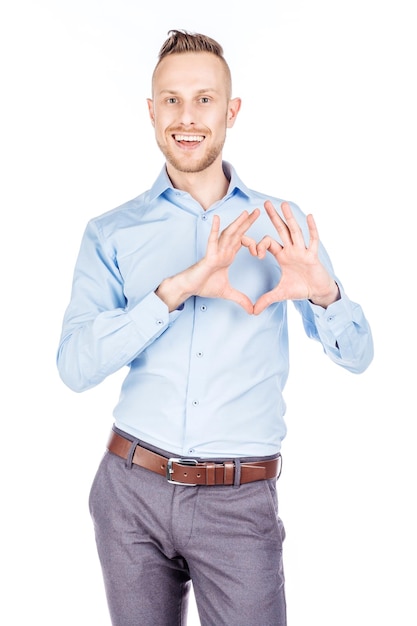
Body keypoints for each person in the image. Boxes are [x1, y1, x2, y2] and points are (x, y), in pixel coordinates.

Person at [57, 29, 373, 626]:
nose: (187, 116)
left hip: (239, 503)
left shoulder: (281, 226)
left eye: (204, 99)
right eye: (171, 100)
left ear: (231, 111)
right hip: (130, 493)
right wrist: (174, 290)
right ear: (152, 112)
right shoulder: (110, 232)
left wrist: (325, 293)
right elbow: (75, 366)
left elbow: (359, 356)